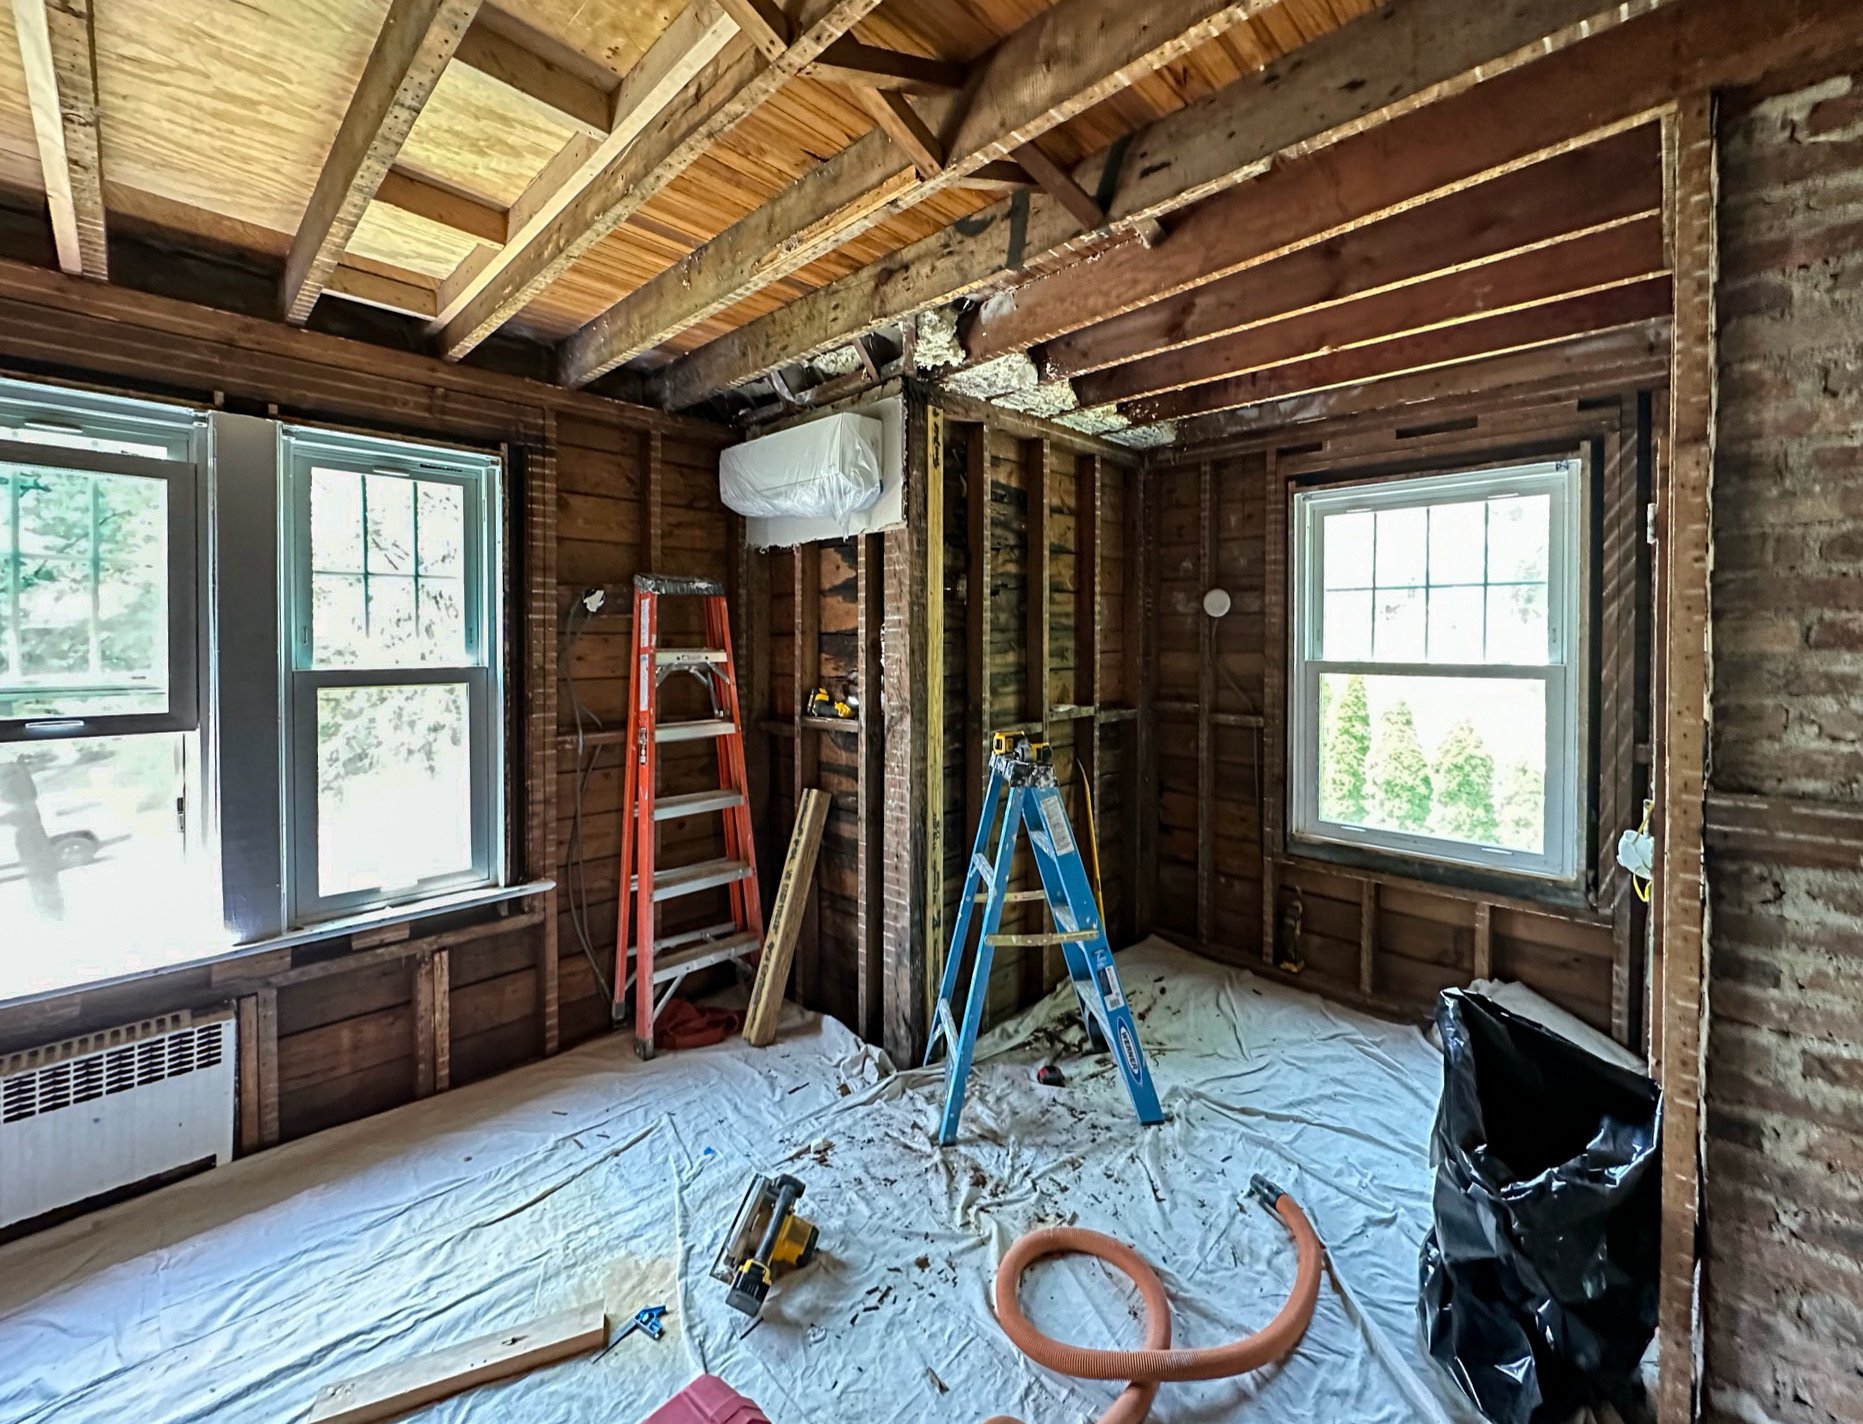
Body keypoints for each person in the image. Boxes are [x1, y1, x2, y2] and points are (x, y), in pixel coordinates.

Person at [0, 757, 66, 921]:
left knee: (42, 882)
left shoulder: (23, 801)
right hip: (36, 854)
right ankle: (50, 909)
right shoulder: (24, 802)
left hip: (35, 856)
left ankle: (50, 909)